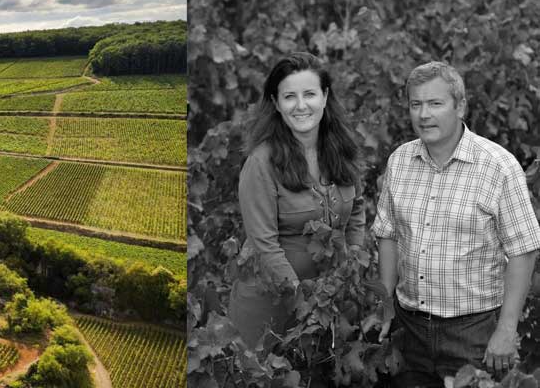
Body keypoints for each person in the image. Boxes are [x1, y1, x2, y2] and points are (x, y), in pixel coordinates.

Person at [373, 61, 540, 387]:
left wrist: (506, 330)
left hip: (473, 334)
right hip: (409, 329)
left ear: (460, 106)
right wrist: (386, 305)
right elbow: (388, 234)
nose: (423, 115)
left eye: (435, 103)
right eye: (416, 104)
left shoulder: (498, 166)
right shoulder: (400, 161)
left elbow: (523, 250)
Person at [229, 52, 366, 348]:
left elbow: (356, 211)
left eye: (309, 94)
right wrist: (303, 300)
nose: (301, 105)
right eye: (290, 96)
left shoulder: (342, 151)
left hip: (327, 304)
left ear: (325, 96)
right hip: (270, 308)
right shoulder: (261, 163)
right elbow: (265, 243)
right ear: (276, 104)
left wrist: (351, 263)